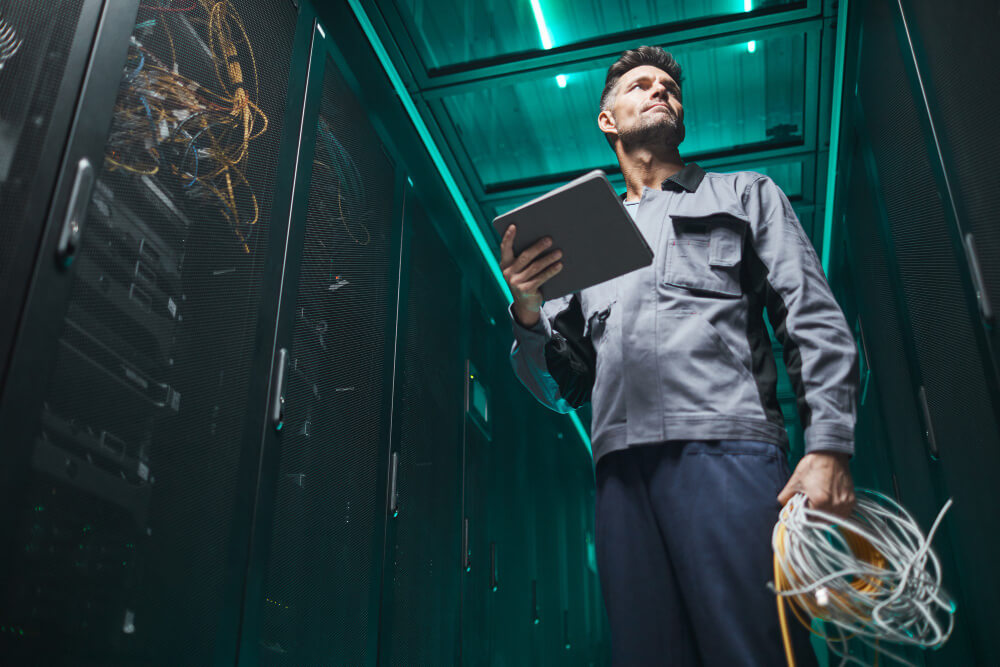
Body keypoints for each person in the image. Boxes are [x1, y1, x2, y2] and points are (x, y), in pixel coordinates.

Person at [502, 46, 859, 666]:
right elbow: (563, 387)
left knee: (755, 649)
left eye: (670, 86)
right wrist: (529, 308)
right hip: (620, 472)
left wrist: (827, 446)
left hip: (729, 453)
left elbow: (810, 315)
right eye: (640, 85)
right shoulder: (580, 240)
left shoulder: (745, 194)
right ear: (608, 121)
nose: (661, 90)